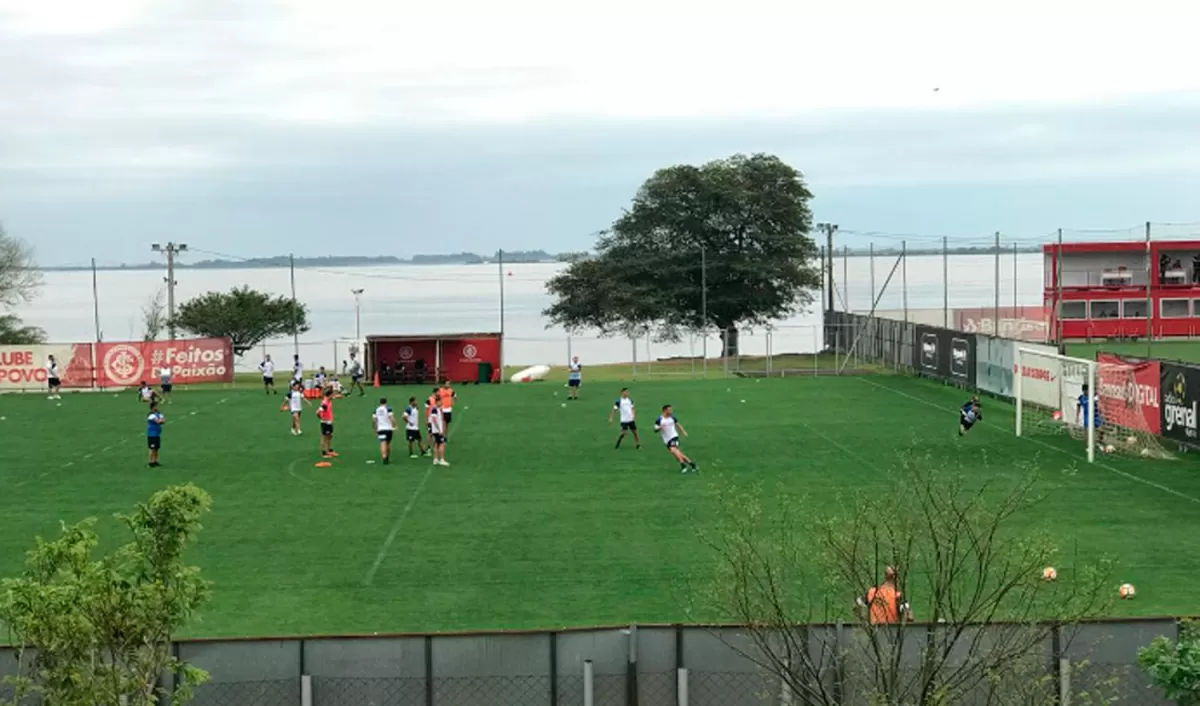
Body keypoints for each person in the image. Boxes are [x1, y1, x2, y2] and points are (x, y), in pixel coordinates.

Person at [655, 405, 698, 473]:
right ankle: (692, 465)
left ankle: (683, 466)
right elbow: (655, 429)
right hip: (667, 440)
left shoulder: (672, 418)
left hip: (674, 436)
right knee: (678, 453)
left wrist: (683, 432)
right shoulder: (659, 420)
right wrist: (660, 428)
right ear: (665, 410)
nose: (671, 411)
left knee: (673, 450)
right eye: (669, 410)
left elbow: (678, 425)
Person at [373, 397, 397, 465]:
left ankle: (384, 457)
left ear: (380, 402)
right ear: (386, 402)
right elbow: (391, 417)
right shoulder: (388, 408)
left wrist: (375, 428)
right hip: (388, 428)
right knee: (388, 443)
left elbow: (374, 420)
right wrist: (395, 424)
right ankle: (387, 457)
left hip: (381, 428)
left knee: (382, 443)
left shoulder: (376, 409)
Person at [317, 387, 340, 458]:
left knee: (330, 436)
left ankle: (330, 451)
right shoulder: (324, 403)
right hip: (325, 422)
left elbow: (335, 396)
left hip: (329, 421)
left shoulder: (329, 399)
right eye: (332, 395)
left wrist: (339, 395)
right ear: (329, 395)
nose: (333, 396)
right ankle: (324, 453)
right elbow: (317, 412)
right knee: (324, 437)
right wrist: (321, 418)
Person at [428, 397, 449, 467]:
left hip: (436, 430)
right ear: (437, 402)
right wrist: (439, 430)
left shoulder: (438, 409)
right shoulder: (434, 409)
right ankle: (442, 459)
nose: (441, 403)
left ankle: (435, 459)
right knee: (441, 444)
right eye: (440, 402)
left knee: (436, 444)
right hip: (437, 431)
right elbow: (434, 420)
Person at [146, 402, 165, 468]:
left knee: (156, 449)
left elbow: (163, 421)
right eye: (156, 406)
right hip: (152, 435)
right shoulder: (151, 415)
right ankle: (150, 462)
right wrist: (160, 420)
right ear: (153, 407)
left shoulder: (158, 414)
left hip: (157, 434)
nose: (158, 407)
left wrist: (161, 420)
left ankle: (155, 461)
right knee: (152, 448)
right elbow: (158, 421)